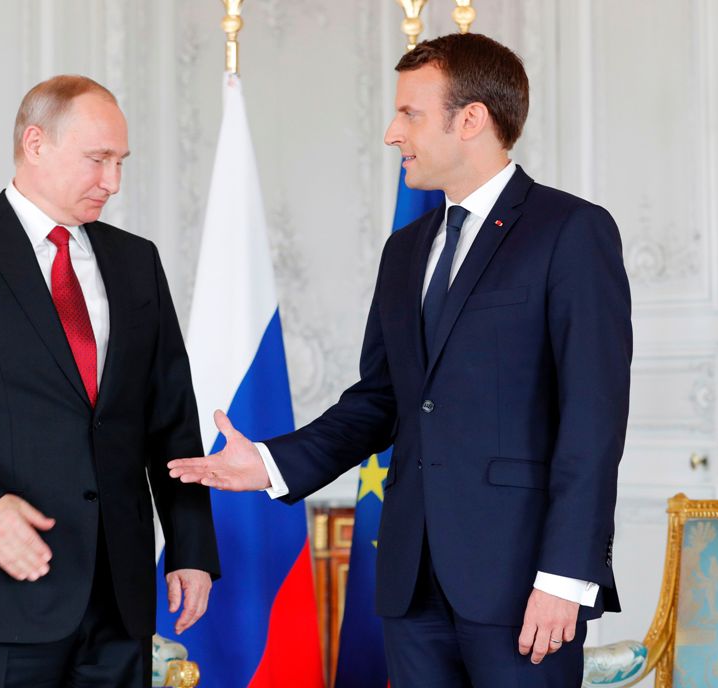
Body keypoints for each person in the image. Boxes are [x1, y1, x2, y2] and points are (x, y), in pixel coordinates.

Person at [168, 33, 632, 687]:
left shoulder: (571, 232)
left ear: (471, 119)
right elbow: (383, 398)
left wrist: (566, 575)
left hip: (524, 582)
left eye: (410, 113)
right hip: (411, 583)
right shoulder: (406, 250)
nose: (392, 133)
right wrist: (273, 463)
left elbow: (593, 418)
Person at [0, 75, 220, 687]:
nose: (113, 181)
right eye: (98, 159)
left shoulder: (138, 261)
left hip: (119, 597)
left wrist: (191, 549)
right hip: (2, 593)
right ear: (35, 143)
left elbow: (171, 418)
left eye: (120, 162)